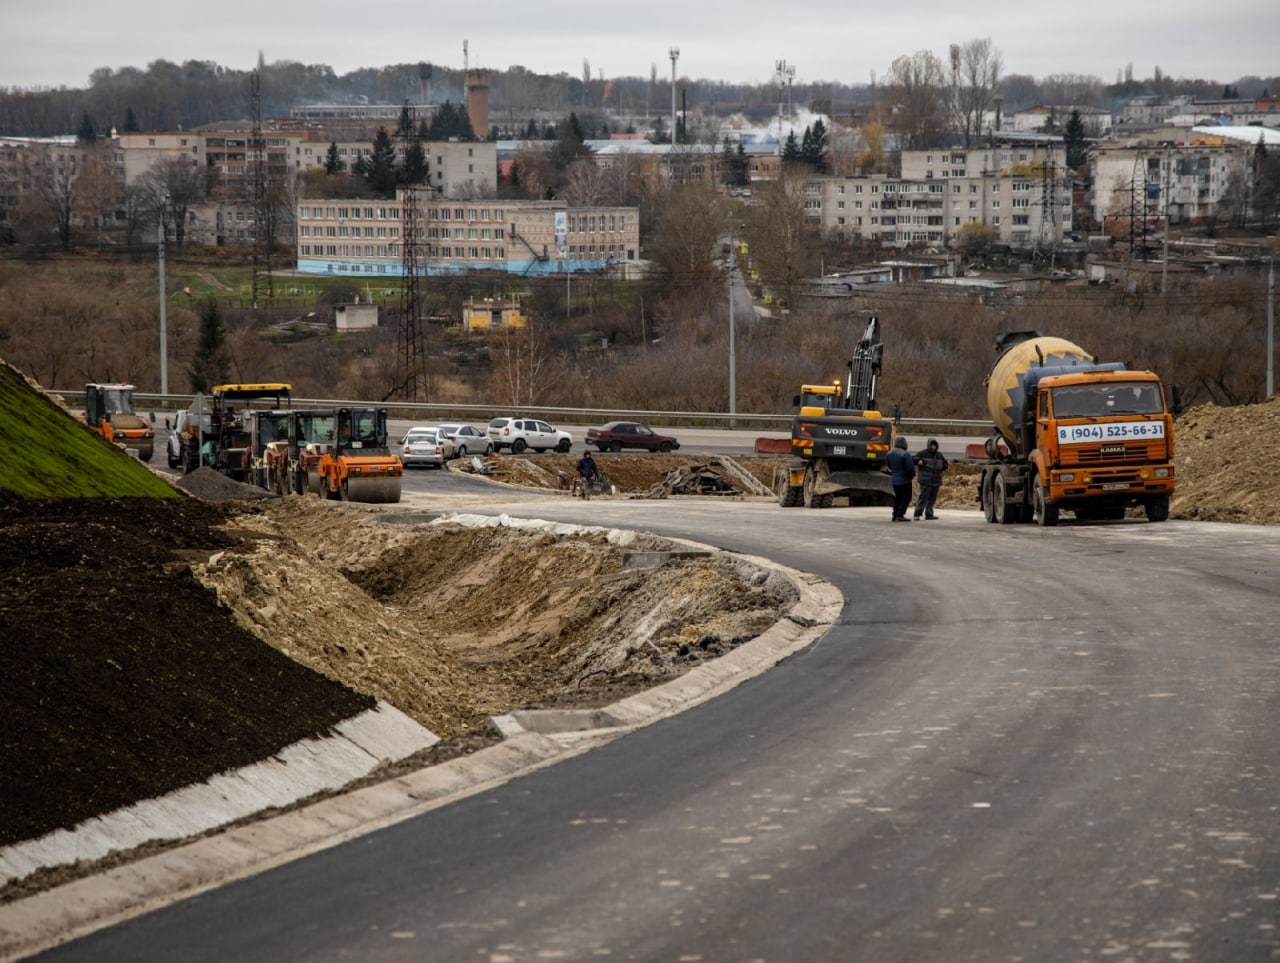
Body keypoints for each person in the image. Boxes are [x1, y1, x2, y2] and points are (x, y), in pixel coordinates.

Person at [912, 438, 949, 520]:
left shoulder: (939, 455)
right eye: (932, 445)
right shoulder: (923, 453)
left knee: (932, 498)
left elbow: (944, 463)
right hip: (926, 480)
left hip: (936, 480)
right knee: (923, 497)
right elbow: (913, 458)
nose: (933, 447)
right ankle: (917, 514)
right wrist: (919, 461)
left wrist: (944, 466)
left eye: (934, 445)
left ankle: (929, 514)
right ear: (929, 445)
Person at [886, 436, 916, 522]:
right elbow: (910, 467)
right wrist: (911, 475)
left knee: (898, 497)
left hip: (895, 479)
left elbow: (888, 465)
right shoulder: (905, 454)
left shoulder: (889, 453)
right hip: (905, 480)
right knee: (906, 497)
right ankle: (900, 514)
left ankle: (895, 515)